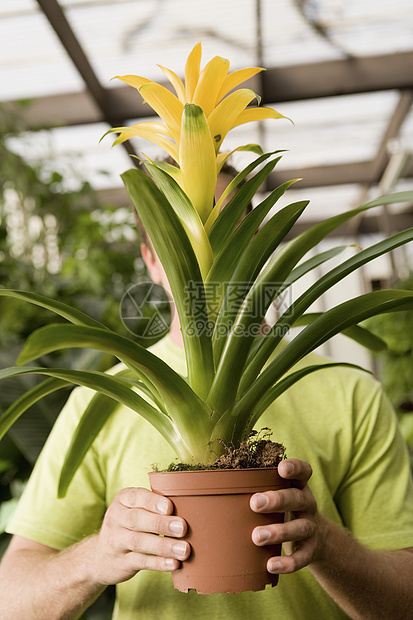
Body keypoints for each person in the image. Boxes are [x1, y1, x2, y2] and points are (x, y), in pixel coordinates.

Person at [1, 169, 413, 620]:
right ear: (152, 262)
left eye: (229, 233)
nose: (207, 254)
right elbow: (11, 601)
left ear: (259, 247)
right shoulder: (104, 400)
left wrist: (326, 544)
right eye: (181, 237)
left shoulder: (350, 393)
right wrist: (97, 556)